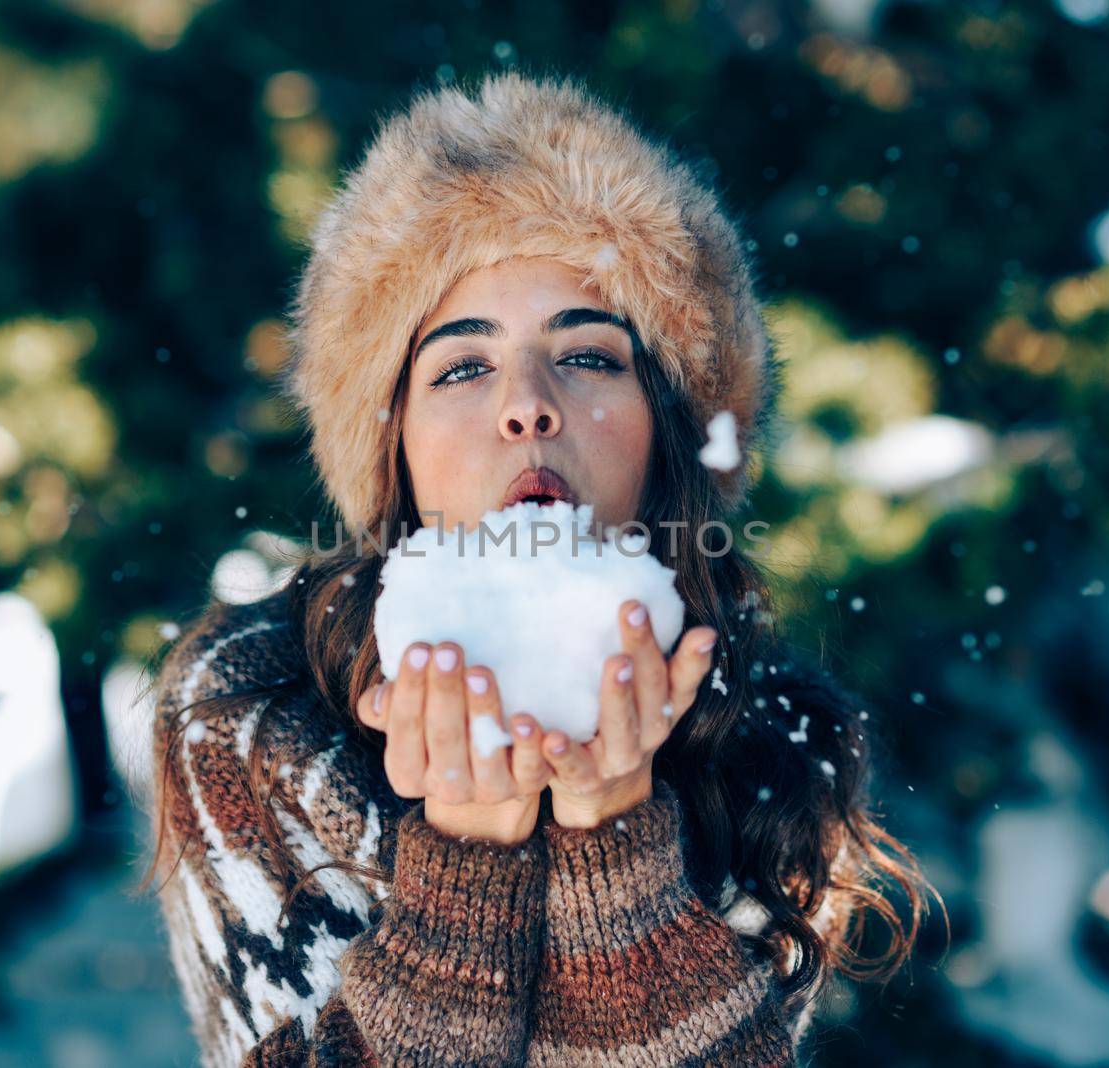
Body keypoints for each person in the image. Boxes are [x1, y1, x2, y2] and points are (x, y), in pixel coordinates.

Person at [138, 70, 929, 1067]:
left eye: (591, 356)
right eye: (461, 368)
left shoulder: (772, 748)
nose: (526, 406)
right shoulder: (248, 708)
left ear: (666, 437)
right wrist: (464, 873)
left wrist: (616, 848)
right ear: (397, 452)